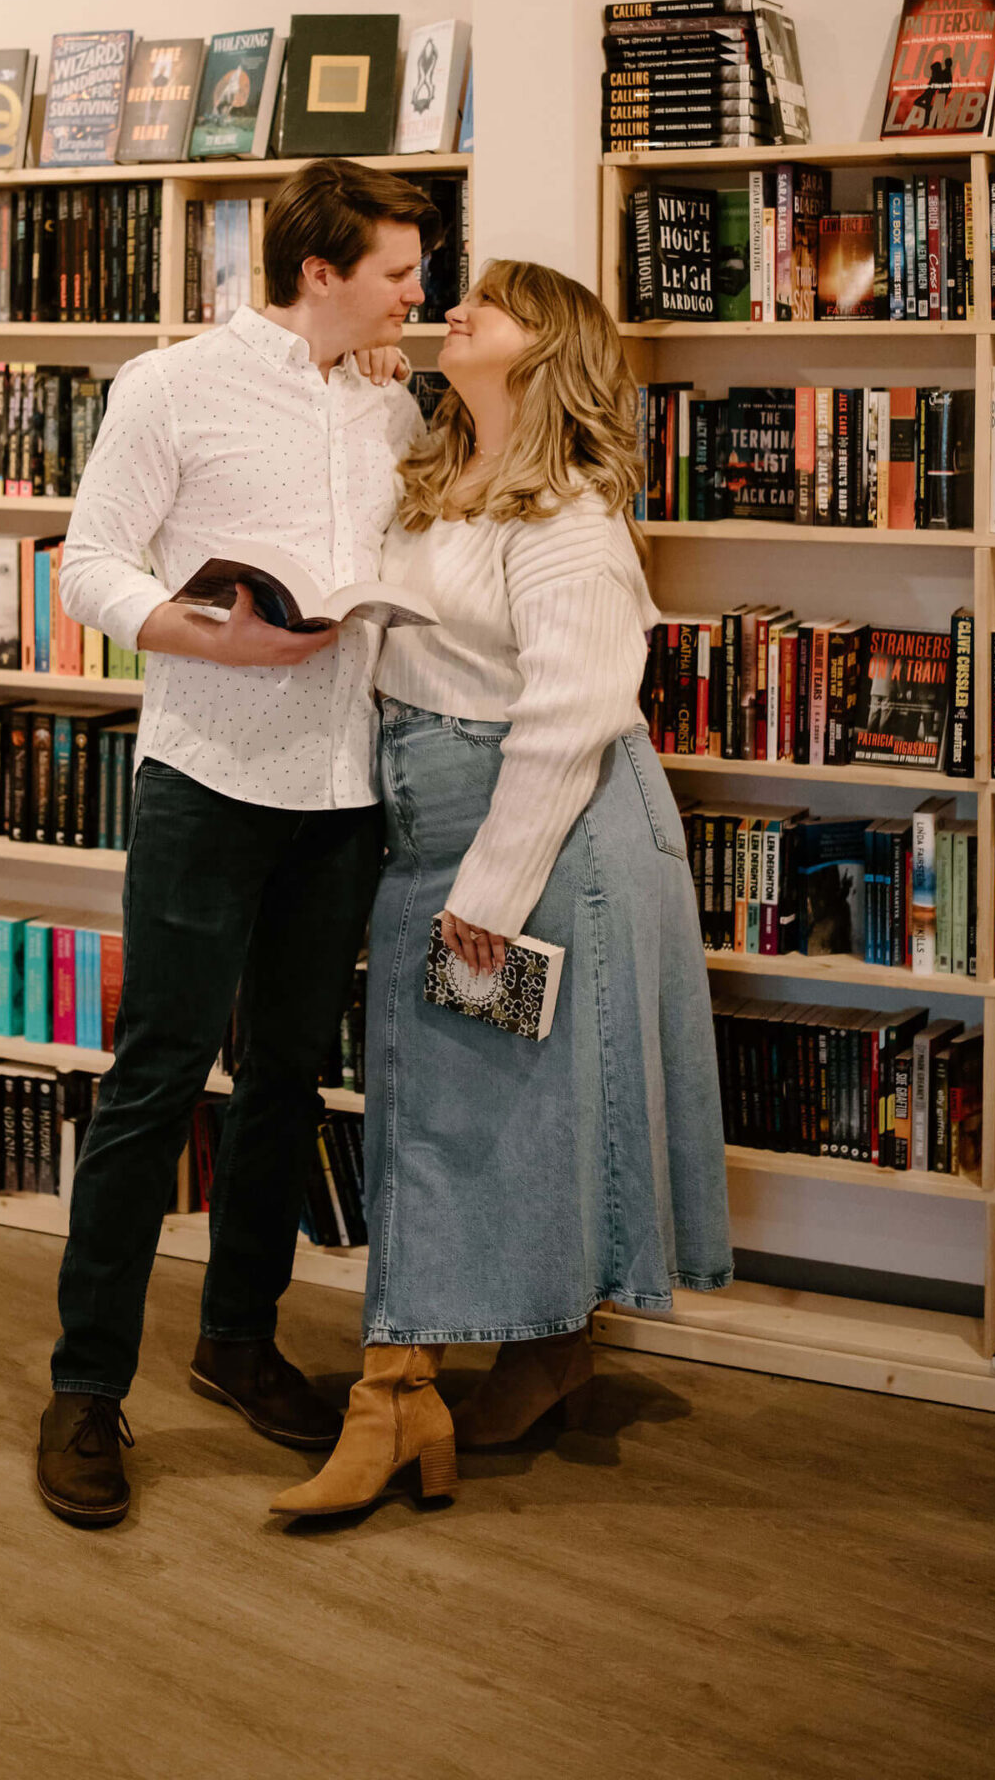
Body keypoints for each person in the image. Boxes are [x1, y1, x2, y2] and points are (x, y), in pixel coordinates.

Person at [272, 259, 732, 1519]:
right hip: (440, 820)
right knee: (469, 1103)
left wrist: (490, 889)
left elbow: (572, 716)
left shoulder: (571, 517)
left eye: (496, 302)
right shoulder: (436, 467)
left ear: (547, 352)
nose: (458, 308)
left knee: (476, 1106)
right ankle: (539, 1354)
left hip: (546, 832)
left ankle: (396, 1397)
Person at [37, 156, 437, 1528]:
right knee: (155, 1076)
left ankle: (234, 1341)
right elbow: (86, 567)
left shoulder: (391, 404)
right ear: (317, 272)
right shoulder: (169, 386)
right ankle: (86, 1389)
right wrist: (217, 632)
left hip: (339, 792)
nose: (415, 292)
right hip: (204, 779)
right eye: (395, 270)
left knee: (284, 1081)